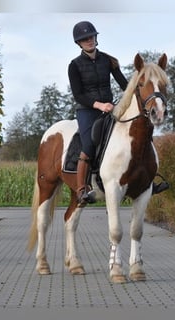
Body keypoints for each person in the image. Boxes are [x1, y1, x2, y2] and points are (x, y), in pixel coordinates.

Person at [68, 21, 128, 205]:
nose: (89, 40)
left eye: (91, 36)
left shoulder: (108, 60)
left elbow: (125, 85)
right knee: (88, 146)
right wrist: (100, 105)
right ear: (79, 43)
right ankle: (81, 190)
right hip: (87, 110)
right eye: (84, 39)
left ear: (96, 37)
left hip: (111, 108)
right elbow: (78, 95)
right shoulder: (74, 65)